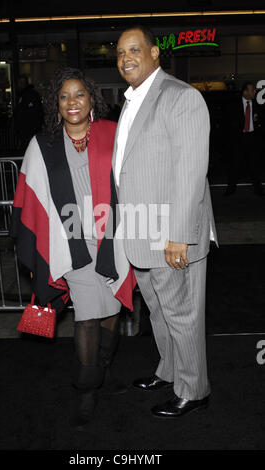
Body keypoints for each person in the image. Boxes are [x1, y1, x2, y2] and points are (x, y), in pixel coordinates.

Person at [10, 67, 135, 429]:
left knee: (113, 308)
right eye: (64, 96)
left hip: (114, 238)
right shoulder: (43, 144)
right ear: (56, 103)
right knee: (87, 317)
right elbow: (28, 201)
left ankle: (102, 371)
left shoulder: (113, 134)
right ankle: (87, 389)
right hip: (71, 242)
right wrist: (36, 255)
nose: (72, 102)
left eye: (79, 94)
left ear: (91, 98)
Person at [114, 25, 218, 418]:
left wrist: (179, 236)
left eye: (135, 50)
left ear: (156, 53)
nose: (126, 58)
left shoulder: (180, 97)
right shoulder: (131, 101)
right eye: (121, 52)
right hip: (141, 232)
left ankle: (194, 389)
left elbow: (191, 171)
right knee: (158, 310)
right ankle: (170, 369)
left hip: (171, 236)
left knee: (181, 312)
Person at [224, 81, 264, 196]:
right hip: (239, 139)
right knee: (235, 165)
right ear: (245, 92)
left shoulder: (257, 105)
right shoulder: (234, 105)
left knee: (254, 165)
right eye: (252, 90)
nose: (255, 92)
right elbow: (228, 123)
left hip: (252, 138)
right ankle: (230, 190)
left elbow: (262, 122)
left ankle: (258, 190)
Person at [13, 75, 43, 151]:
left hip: (28, 130)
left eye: (21, 83)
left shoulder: (28, 95)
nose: (19, 85)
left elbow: (31, 114)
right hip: (27, 130)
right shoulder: (24, 95)